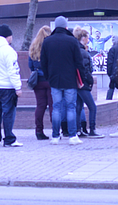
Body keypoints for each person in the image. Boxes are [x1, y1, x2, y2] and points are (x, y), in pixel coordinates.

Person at [41, 16, 84, 146]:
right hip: (70, 80)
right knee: (71, 107)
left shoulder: (47, 41)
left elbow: (43, 62)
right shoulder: (72, 41)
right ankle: (72, 136)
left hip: (54, 80)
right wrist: (82, 78)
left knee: (56, 108)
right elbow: (79, 62)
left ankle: (55, 136)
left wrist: (48, 76)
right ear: (66, 27)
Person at [74, 27, 104, 138]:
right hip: (83, 84)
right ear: (83, 38)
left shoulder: (76, 50)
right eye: (87, 37)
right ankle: (92, 129)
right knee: (92, 107)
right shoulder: (83, 52)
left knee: (78, 106)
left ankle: (78, 130)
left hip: (76, 83)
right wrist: (90, 81)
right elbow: (85, 69)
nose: (88, 39)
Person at [28, 26, 53, 140]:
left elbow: (30, 66)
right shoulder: (50, 46)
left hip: (38, 81)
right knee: (53, 106)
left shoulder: (33, 46)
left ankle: (39, 131)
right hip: (50, 80)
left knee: (40, 106)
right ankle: (55, 130)